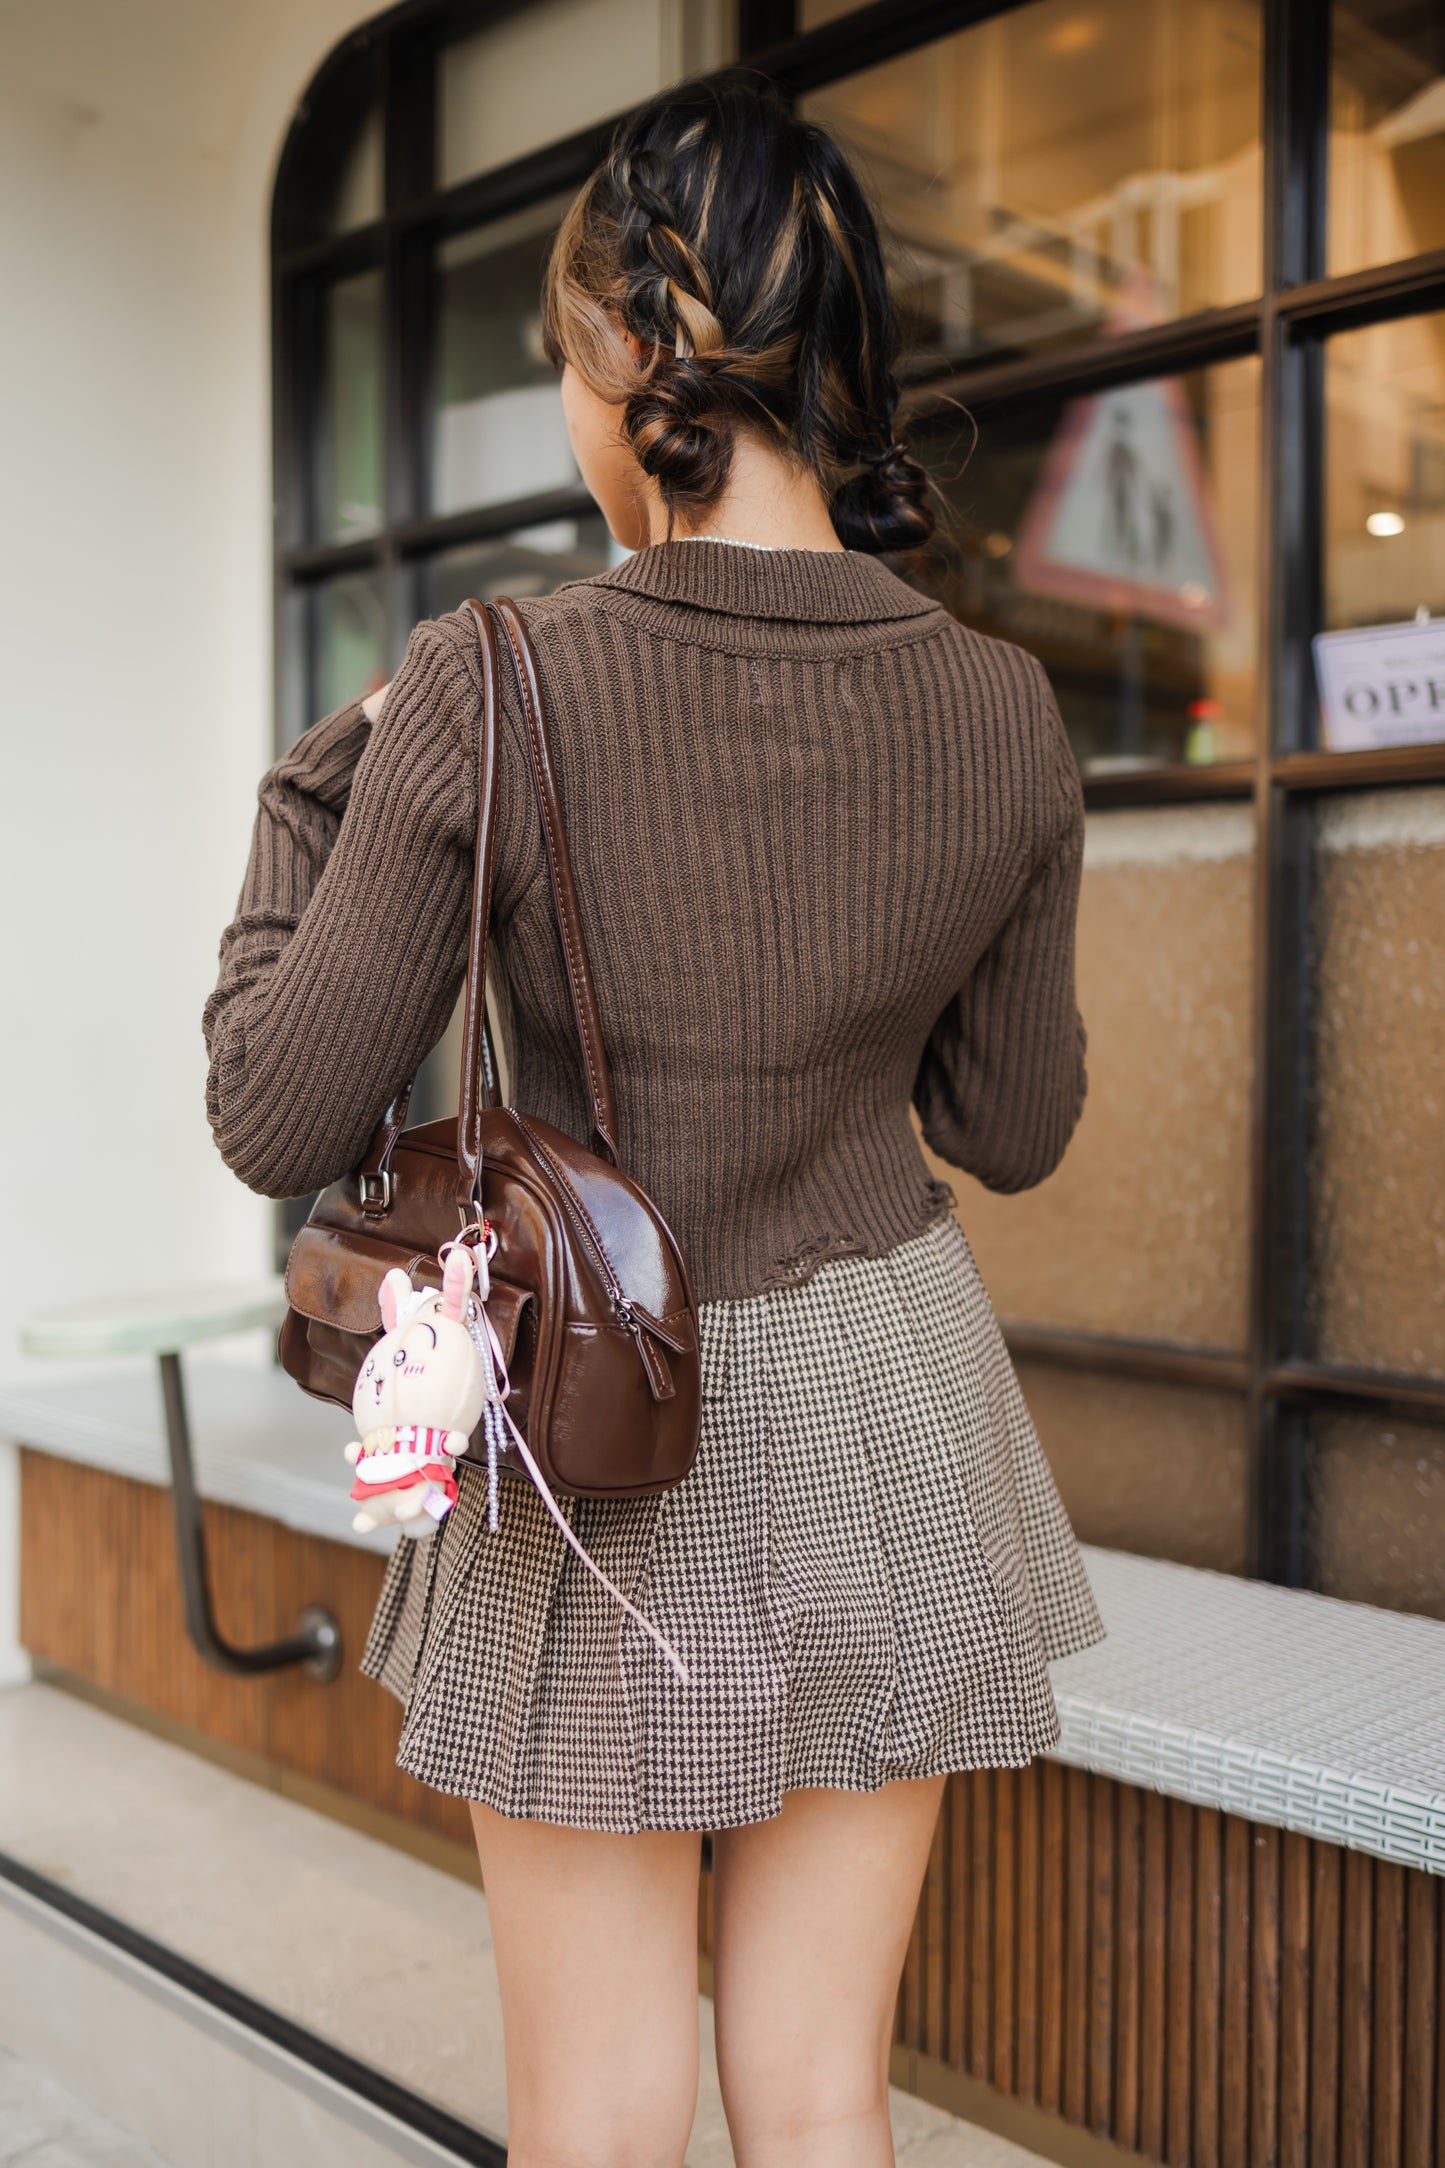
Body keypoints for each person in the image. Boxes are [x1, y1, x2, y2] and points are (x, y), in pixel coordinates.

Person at [203, 66, 1104, 2168]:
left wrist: (310, 784)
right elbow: (1018, 1117)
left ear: (625, 360)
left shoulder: (496, 677)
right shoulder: (1002, 705)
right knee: (821, 2097)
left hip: (607, 1423)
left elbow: (277, 1105)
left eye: (560, 365)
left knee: (601, 2120)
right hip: (888, 1415)